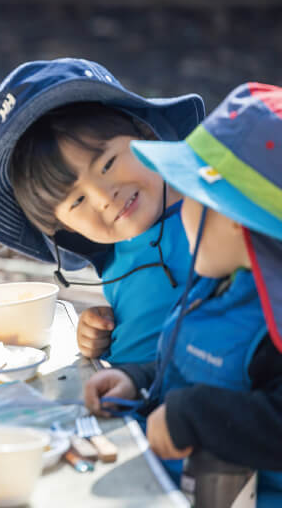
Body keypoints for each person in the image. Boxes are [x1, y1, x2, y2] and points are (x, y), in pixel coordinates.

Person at [84, 82, 282, 504]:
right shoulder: (217, 285)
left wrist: (194, 417)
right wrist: (136, 382)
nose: (180, 213)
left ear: (232, 220)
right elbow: (190, 369)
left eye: (190, 199)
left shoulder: (273, 326)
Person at [0, 59, 204, 363]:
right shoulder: (116, 258)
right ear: (62, 228)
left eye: (107, 164)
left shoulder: (216, 216)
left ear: (144, 133)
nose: (104, 197)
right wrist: (103, 332)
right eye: (76, 201)